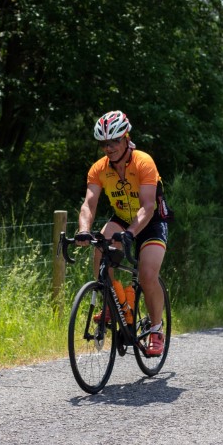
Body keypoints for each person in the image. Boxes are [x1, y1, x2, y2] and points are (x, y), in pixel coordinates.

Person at [76, 110, 167, 356]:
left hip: (151, 221)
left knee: (147, 275)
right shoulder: (98, 169)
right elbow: (89, 204)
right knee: (100, 247)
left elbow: (148, 206)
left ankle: (156, 330)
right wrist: (83, 230)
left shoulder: (143, 162)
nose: (109, 147)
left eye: (115, 141)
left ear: (127, 138)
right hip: (123, 218)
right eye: (104, 143)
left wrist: (131, 233)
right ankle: (111, 301)